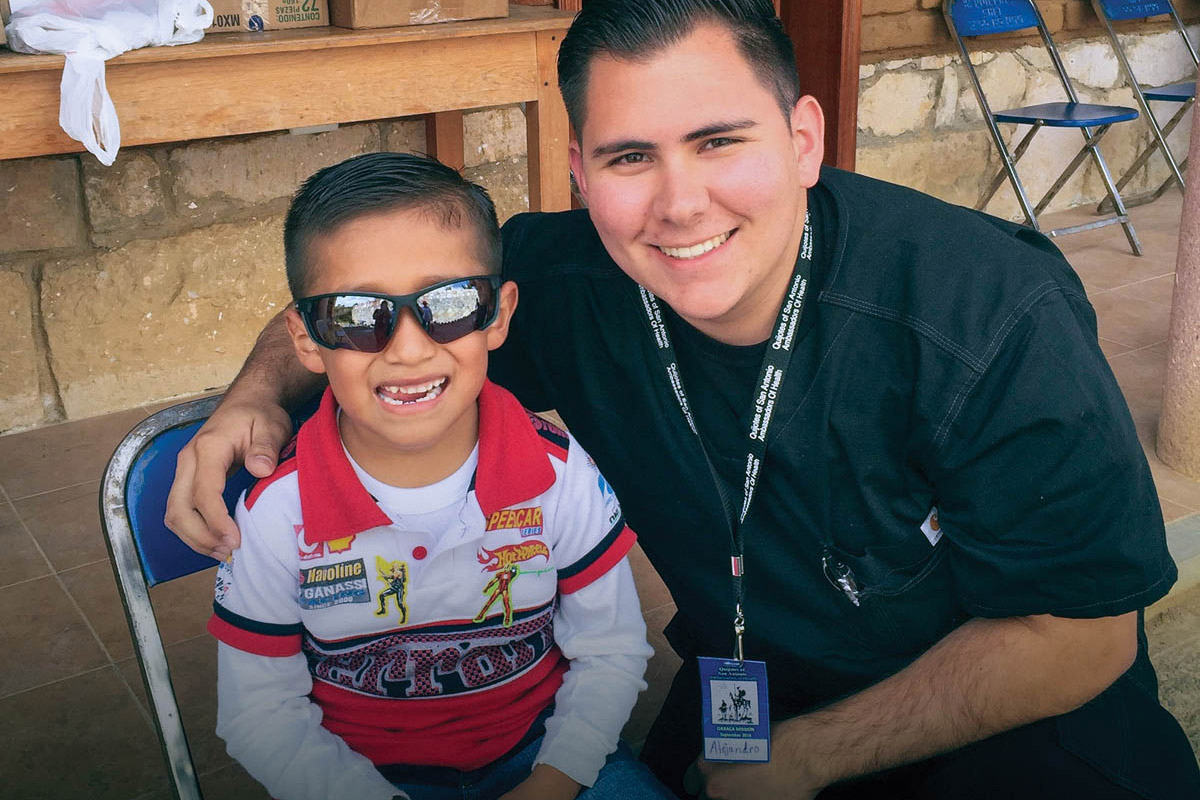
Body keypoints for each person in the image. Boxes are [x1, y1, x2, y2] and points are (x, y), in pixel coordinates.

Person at [169, 2, 1200, 798]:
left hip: (1008, 722)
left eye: (719, 141)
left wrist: (811, 755)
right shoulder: (563, 283)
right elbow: (365, 303)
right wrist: (255, 395)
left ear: (803, 139)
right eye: (629, 157)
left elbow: (1083, 632)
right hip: (751, 689)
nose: (678, 202)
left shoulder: (986, 316)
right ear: (579, 172)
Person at [207, 151, 674, 800]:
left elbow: (611, 650)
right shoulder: (275, 514)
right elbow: (261, 715)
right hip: (355, 774)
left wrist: (553, 781)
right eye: (355, 315)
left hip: (545, 751)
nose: (407, 348)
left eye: (450, 303)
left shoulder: (559, 475)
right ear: (306, 338)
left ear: (499, 314)